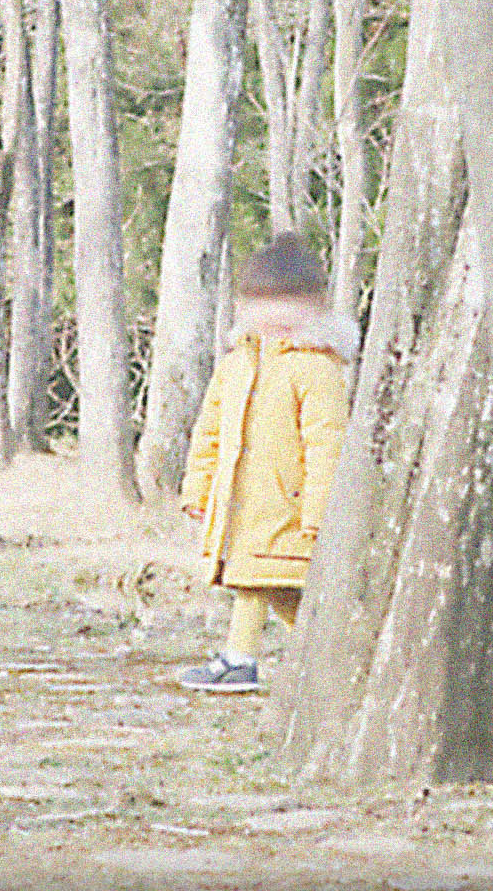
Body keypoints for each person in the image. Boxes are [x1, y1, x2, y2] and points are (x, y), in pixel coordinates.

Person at [175, 232, 355, 693]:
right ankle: (331, 662)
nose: (276, 315)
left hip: (287, 508)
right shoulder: (236, 364)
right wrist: (198, 489)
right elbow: (210, 431)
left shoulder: (317, 367)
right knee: (273, 587)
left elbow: (327, 444)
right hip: (242, 506)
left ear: (315, 306)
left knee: (263, 583)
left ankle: (243, 659)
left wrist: (320, 512)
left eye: (290, 304)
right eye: (263, 303)